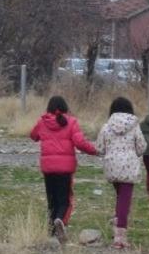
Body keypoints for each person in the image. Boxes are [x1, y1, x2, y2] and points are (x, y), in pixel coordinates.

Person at [30, 95, 98, 243]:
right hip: (65, 169)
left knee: (51, 199)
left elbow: (33, 136)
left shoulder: (42, 122)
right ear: (65, 107)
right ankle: (60, 220)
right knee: (65, 200)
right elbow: (80, 143)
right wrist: (95, 150)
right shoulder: (72, 122)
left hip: (48, 168)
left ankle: (51, 230)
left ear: (49, 107)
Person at [95, 97, 146, 249]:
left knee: (120, 197)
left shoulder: (106, 127)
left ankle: (118, 221)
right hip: (129, 166)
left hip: (112, 166)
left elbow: (99, 149)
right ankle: (120, 237)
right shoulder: (134, 126)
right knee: (125, 200)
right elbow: (142, 147)